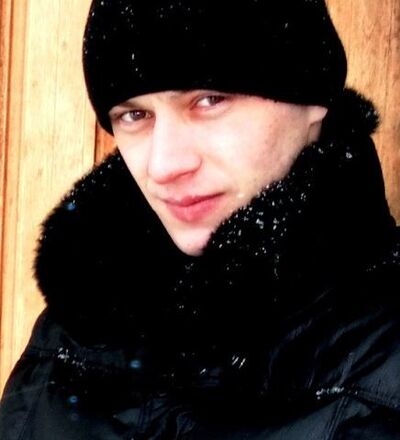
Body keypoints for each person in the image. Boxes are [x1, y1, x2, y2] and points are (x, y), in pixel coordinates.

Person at [1, 0, 400, 438]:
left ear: (313, 96)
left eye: (209, 100)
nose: (164, 165)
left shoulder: (384, 365)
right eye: (135, 115)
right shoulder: (78, 328)